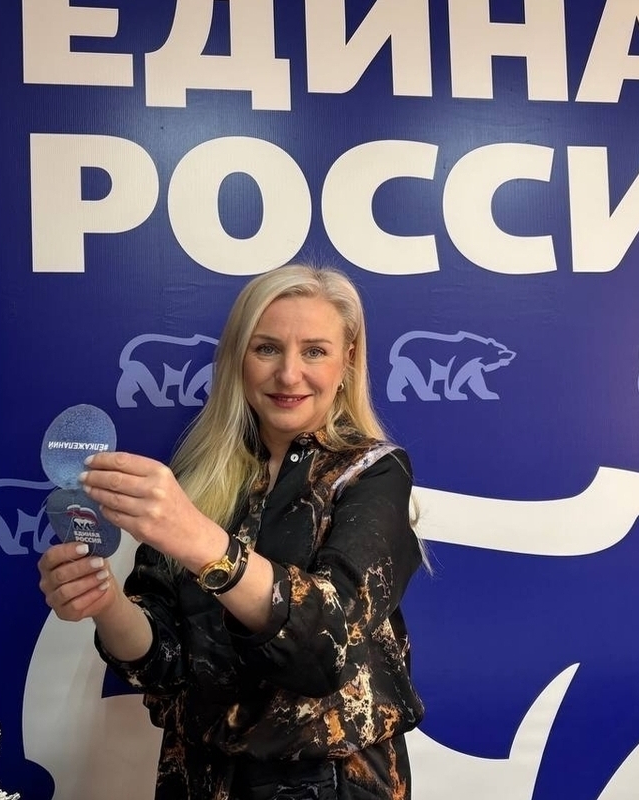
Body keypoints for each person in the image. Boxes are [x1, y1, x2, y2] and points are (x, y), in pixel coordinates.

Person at [38, 264, 426, 800]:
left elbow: (324, 645)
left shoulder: (373, 474)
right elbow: (163, 665)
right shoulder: (197, 479)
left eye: (314, 351)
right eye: (267, 348)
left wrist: (199, 540)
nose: (289, 374)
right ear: (237, 359)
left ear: (348, 360)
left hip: (331, 782)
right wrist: (105, 602)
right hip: (198, 777)